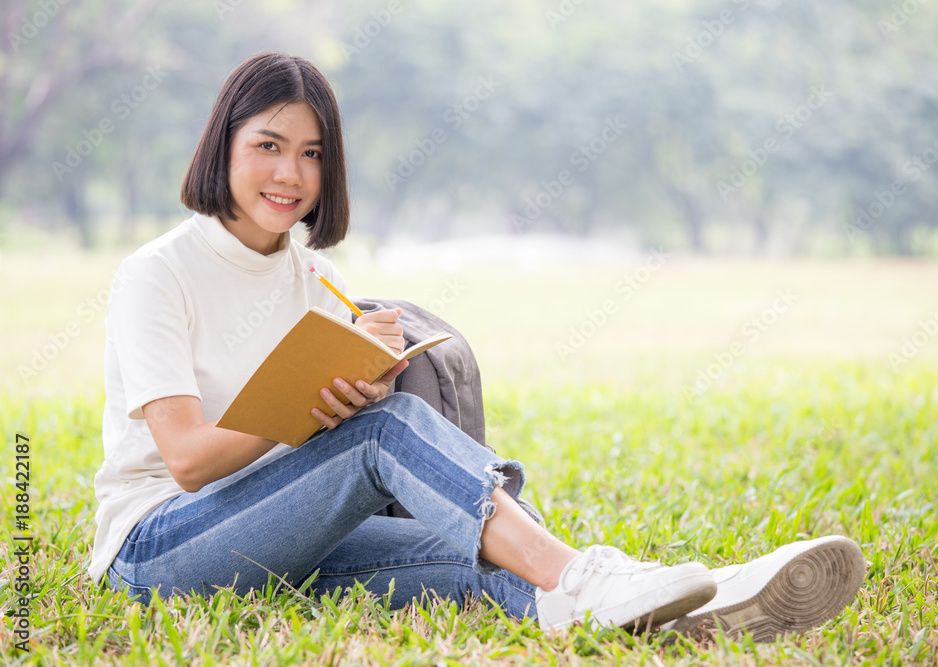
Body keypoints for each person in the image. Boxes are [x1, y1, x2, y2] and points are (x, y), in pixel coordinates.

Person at [89, 52, 865, 637]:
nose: (291, 172)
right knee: (384, 434)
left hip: (273, 529)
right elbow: (186, 459)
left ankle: (692, 602)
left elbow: (314, 432)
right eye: (269, 145)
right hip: (160, 546)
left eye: (314, 152)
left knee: (471, 547)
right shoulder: (158, 274)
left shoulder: (311, 273)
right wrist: (317, 409)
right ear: (222, 144)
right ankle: (586, 573)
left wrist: (363, 380)